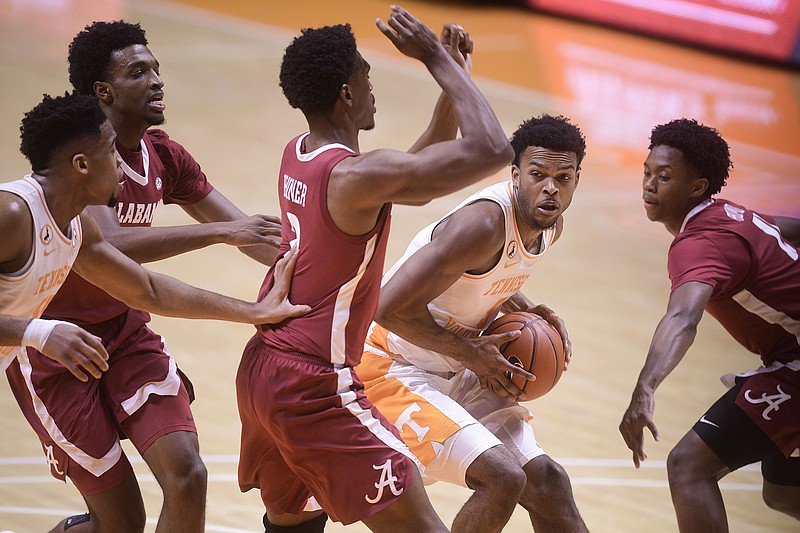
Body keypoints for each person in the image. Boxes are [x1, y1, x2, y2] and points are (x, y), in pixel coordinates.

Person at [236, 6, 514, 533]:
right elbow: (494, 150)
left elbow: (413, 169)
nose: (372, 88)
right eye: (366, 77)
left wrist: (454, 80)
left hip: (264, 369)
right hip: (316, 384)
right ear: (345, 93)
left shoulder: (301, 154)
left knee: (294, 525)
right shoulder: (354, 177)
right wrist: (435, 58)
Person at [24, 19, 288, 532]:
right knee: (119, 525)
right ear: (104, 91)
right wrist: (222, 233)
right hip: (56, 349)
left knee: (188, 476)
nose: (157, 80)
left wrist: (328, 273)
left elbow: (254, 235)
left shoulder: (163, 155)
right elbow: (113, 245)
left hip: (125, 335)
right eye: (138, 72)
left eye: (157, 69)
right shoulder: (76, 164)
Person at [355, 114, 589, 533]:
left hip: (454, 365)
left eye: (563, 177)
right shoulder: (482, 225)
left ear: (576, 179)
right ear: (516, 175)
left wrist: (526, 307)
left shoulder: (548, 224)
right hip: (389, 366)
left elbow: (481, 276)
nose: (550, 187)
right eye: (538, 175)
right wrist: (471, 355)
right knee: (502, 478)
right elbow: (384, 306)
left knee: (547, 482)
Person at [619, 118, 800, 532]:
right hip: (788, 358)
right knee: (784, 492)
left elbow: (683, 316)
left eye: (663, 177)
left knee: (688, 467)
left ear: (697, 187)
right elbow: (784, 228)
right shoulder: (728, 214)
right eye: (647, 172)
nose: (648, 184)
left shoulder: (699, 245)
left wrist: (645, 387)